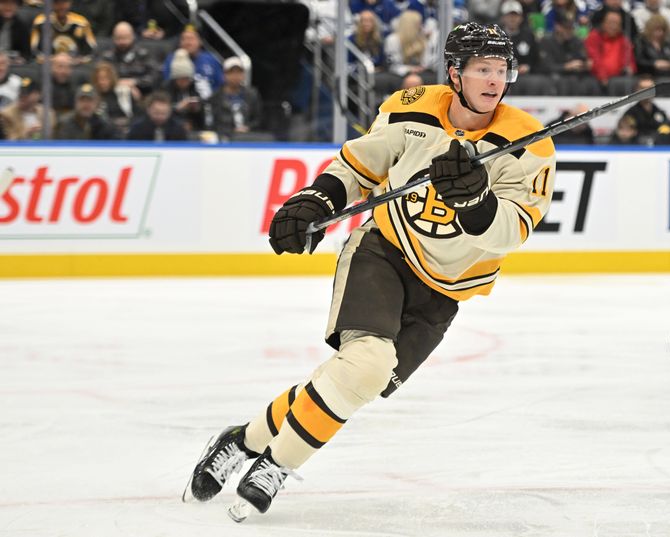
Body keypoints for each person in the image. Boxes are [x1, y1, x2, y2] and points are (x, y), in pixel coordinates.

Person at [184, 22, 557, 521]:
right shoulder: (411, 109)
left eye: (500, 71)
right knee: (366, 366)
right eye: (481, 69)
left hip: (446, 290)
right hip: (383, 252)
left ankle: (242, 439)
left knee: (355, 381)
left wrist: (475, 201)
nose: (494, 81)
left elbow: (512, 230)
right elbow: (359, 166)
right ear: (455, 72)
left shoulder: (528, 142)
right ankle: (276, 465)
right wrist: (316, 198)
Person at [99, 22, 161, 98]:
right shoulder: (107, 57)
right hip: (113, 95)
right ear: (113, 38)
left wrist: (134, 82)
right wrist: (120, 84)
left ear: (132, 37)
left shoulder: (143, 54)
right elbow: (100, 78)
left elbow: (154, 77)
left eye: (125, 38)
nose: (122, 42)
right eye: (118, 38)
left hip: (141, 94)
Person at [161, 25, 223, 100]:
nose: (188, 43)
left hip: (209, 102)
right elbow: (167, 86)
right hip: (179, 101)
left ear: (200, 41)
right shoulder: (171, 59)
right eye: (184, 39)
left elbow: (220, 85)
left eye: (191, 39)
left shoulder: (212, 59)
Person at [208, 57, 262, 141]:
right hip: (223, 138)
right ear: (224, 75)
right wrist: (229, 131)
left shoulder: (252, 94)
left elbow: (258, 119)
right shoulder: (216, 97)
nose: (235, 76)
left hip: (248, 137)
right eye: (231, 73)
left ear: (243, 75)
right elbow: (213, 122)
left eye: (238, 72)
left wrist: (248, 128)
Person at [30, 0, 96, 63]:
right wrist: (53, 60)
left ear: (70, 3)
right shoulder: (41, 22)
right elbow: (34, 50)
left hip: (75, 65)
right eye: (57, 3)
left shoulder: (82, 23)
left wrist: (76, 61)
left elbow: (92, 51)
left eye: (64, 2)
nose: (61, 6)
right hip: (48, 64)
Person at [621, 76, 667, 145]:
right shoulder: (630, 114)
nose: (646, 92)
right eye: (643, 88)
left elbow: (668, 130)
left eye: (650, 89)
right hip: (637, 149)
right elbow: (624, 135)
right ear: (637, 90)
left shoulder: (660, 112)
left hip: (657, 150)